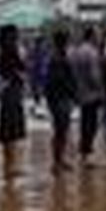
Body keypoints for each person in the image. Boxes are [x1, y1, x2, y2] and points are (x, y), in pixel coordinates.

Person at [0, 24, 27, 170]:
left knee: (9, 127)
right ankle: (10, 163)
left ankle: (9, 162)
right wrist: (19, 74)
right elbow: (20, 68)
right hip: (11, 91)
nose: (17, 36)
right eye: (15, 34)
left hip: (9, 91)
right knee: (11, 126)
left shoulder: (5, 51)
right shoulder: (10, 51)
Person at [71, 26, 105, 163]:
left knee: (85, 123)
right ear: (92, 36)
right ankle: (87, 153)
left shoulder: (77, 51)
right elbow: (94, 75)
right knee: (91, 123)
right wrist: (101, 90)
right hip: (92, 94)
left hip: (80, 92)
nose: (100, 37)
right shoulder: (92, 52)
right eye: (98, 35)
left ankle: (84, 153)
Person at [44, 29, 77, 171]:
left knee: (61, 130)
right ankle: (57, 161)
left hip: (59, 99)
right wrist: (72, 92)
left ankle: (59, 160)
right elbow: (60, 80)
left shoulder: (58, 57)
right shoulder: (58, 59)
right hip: (60, 99)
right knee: (60, 130)